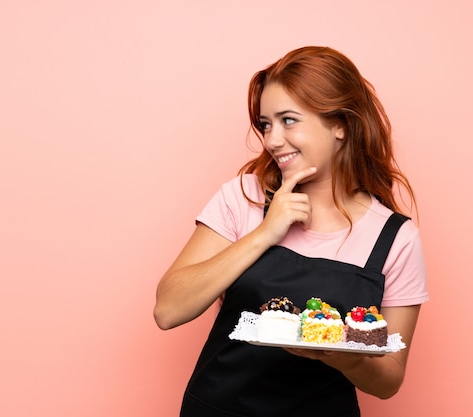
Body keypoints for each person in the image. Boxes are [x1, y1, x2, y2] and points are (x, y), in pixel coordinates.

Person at [153, 46, 428, 417]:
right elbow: (168, 310)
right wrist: (265, 233)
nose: (272, 140)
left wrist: (341, 356)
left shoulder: (395, 238)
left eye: (288, 120)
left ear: (340, 125)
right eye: (266, 124)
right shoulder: (244, 197)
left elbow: (389, 380)